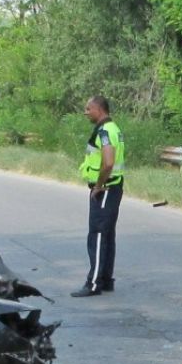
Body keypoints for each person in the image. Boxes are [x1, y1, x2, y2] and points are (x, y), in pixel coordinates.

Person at [72, 96, 123, 297]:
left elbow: (108, 162)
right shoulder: (114, 128)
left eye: (88, 109)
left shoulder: (105, 132)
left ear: (99, 110)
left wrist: (99, 186)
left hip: (105, 189)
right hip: (113, 187)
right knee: (107, 234)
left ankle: (94, 283)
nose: (86, 113)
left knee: (99, 234)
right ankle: (106, 279)